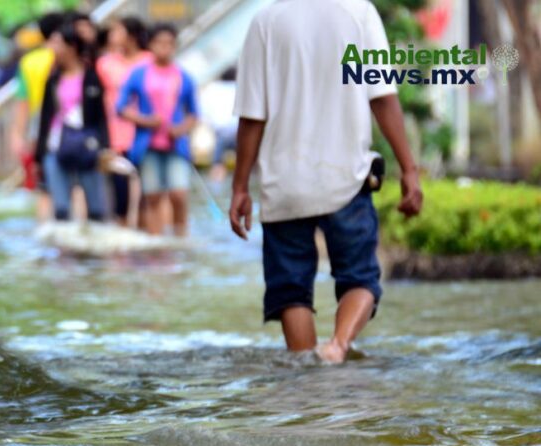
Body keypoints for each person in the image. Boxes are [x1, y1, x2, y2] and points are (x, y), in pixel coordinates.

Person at [230, 0, 423, 364]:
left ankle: (306, 379)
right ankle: (336, 346)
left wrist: (240, 187)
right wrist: (409, 170)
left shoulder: (265, 21)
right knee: (360, 280)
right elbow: (382, 96)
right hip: (345, 180)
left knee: (290, 293)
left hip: (284, 184)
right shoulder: (358, 12)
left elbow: (251, 116)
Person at [117, 24, 199, 236]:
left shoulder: (184, 76)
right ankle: (156, 239)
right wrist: (144, 120)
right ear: (151, 45)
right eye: (159, 43)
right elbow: (121, 107)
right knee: (152, 196)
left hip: (175, 146)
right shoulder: (138, 74)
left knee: (178, 194)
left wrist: (181, 129)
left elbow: (194, 114)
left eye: (169, 44)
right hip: (148, 145)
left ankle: (181, 236)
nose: (164, 48)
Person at [34, 24, 109, 222]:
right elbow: (45, 116)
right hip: (56, 146)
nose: (53, 48)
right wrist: (39, 153)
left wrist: (105, 146)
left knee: (96, 210)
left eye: (58, 43)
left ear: (72, 46)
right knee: (60, 209)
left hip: (87, 146)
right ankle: (64, 251)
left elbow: (101, 115)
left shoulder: (91, 77)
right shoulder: (52, 80)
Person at [11, 12, 66, 221]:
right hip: (65, 126)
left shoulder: (29, 61)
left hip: (37, 128)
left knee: (44, 189)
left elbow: (22, 102)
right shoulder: (67, 57)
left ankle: (44, 231)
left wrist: (18, 135)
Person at [97, 16, 152, 227]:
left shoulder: (150, 61)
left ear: (132, 35)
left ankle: (146, 232)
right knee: (120, 190)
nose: (112, 36)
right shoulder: (105, 64)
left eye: (117, 31)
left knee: (148, 191)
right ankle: (122, 230)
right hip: (115, 135)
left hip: (145, 134)